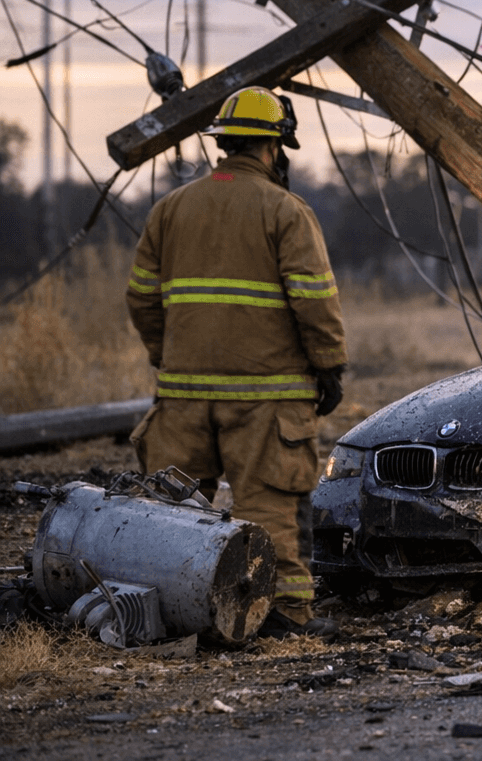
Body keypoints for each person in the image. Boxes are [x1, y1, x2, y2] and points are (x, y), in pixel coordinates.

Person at [127, 86, 348, 638]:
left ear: (223, 143)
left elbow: (140, 296)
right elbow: (314, 300)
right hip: (267, 401)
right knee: (271, 511)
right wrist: (329, 368)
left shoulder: (171, 208)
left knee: (170, 517)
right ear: (275, 148)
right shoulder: (285, 210)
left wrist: (168, 360)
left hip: (182, 398)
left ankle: (169, 619)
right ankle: (281, 619)